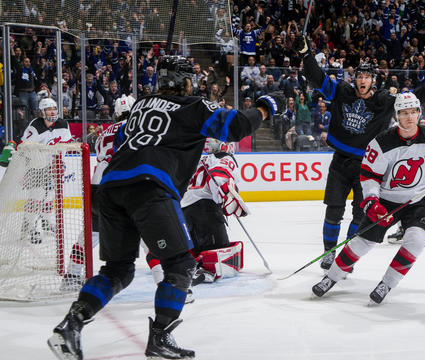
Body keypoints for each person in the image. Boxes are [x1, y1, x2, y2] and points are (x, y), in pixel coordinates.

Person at [47, 56, 285, 360]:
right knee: (182, 265)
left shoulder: (140, 106)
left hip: (111, 187)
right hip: (150, 188)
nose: (195, 84)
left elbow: (119, 140)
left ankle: (70, 326)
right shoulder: (194, 106)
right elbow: (236, 127)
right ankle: (160, 336)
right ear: (184, 82)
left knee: (117, 270)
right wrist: (265, 106)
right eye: (192, 79)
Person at [293, 34, 425, 271]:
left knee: (360, 215)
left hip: (367, 166)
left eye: (366, 76)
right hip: (340, 162)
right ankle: (329, 253)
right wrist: (305, 55)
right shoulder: (341, 91)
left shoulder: (384, 101)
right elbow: (317, 77)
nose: (362, 80)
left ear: (373, 80)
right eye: (359, 75)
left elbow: (411, 100)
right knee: (333, 210)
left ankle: (344, 258)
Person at [311, 92, 425, 304]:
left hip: (419, 200)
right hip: (387, 201)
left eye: (413, 112)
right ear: (396, 116)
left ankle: (387, 283)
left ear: (419, 112)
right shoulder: (381, 143)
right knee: (363, 243)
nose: (410, 117)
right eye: (404, 113)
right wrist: (371, 200)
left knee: (416, 240)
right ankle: (331, 277)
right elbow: (369, 176)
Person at [146, 138, 247, 289]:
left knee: (195, 254)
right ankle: (196, 276)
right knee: (218, 260)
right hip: (206, 212)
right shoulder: (225, 157)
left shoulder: (199, 160)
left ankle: (172, 264)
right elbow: (219, 176)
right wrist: (223, 197)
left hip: (184, 211)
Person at [61, 95, 136, 290]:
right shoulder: (136, 125)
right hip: (123, 181)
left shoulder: (103, 132)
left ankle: (71, 275)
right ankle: (167, 280)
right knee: (144, 232)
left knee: (91, 233)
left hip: (98, 184)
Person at [16, 98, 73, 245]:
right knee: (37, 195)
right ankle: (30, 226)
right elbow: (23, 147)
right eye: (48, 109)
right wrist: (28, 167)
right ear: (42, 112)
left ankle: (46, 222)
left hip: (53, 165)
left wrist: (61, 162)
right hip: (36, 165)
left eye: (54, 108)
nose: (52, 111)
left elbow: (65, 145)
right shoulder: (35, 126)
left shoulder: (63, 124)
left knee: (50, 195)